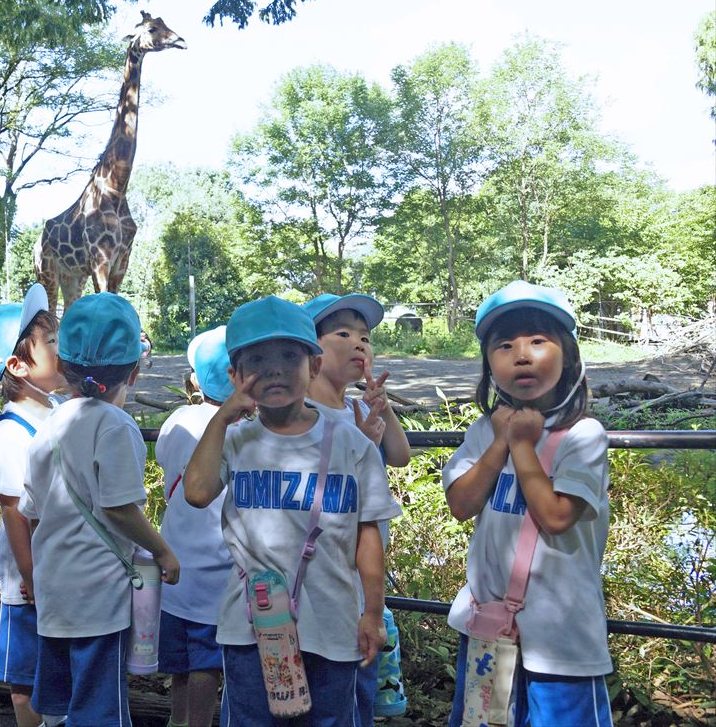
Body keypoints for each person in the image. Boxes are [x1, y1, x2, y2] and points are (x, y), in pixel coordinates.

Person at [184, 295, 401, 727]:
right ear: (236, 376)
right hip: (252, 626)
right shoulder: (235, 441)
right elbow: (197, 491)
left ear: (314, 367)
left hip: (333, 625)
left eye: (289, 356)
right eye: (258, 360)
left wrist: (373, 612)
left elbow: (368, 534)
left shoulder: (351, 445)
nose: (276, 370)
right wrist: (220, 420)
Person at [443, 281, 612, 727]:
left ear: (569, 355)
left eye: (539, 341)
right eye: (505, 345)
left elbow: (556, 515)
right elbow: (461, 503)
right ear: (489, 365)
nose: (522, 354)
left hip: (561, 641)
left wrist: (520, 445)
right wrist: (501, 440)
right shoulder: (485, 431)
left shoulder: (583, 436)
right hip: (487, 626)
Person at [19, 293, 180, 727]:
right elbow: (119, 508)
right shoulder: (116, 425)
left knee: (63, 700)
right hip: (97, 595)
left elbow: (31, 511)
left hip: (54, 588)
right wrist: (163, 551)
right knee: (99, 703)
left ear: (64, 367)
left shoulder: (47, 424)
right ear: (135, 368)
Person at [303, 293, 410, 721]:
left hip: (364, 575)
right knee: (326, 681)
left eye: (365, 336)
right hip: (325, 575)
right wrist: (363, 444)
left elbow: (400, 455)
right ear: (310, 350)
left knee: (360, 684)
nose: (360, 343)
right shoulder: (303, 414)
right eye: (343, 333)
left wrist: (381, 406)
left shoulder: (357, 407)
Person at [0, 284, 67, 727]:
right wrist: (31, 577)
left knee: (57, 666)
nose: (60, 347)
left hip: (57, 574)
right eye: (49, 342)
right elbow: (13, 510)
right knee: (27, 676)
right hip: (30, 584)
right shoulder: (11, 431)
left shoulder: (57, 409)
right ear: (17, 365)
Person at [156, 327, 235, 727]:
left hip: (173, 560)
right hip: (218, 568)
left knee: (181, 661)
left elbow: (164, 460)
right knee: (208, 659)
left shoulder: (178, 419)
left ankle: (177, 719)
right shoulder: (241, 429)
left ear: (196, 381)